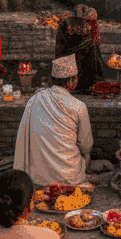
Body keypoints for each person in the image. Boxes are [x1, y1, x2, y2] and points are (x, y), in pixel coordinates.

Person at [14, 54, 93, 185]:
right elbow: (86, 147)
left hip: (37, 177)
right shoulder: (79, 106)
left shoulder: (35, 99)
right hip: (69, 177)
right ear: (71, 82)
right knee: (86, 154)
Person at [53, 4, 104, 93]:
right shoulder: (68, 23)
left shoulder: (86, 23)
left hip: (76, 50)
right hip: (67, 52)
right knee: (92, 47)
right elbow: (67, 43)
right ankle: (90, 82)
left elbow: (88, 38)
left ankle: (94, 80)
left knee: (93, 46)